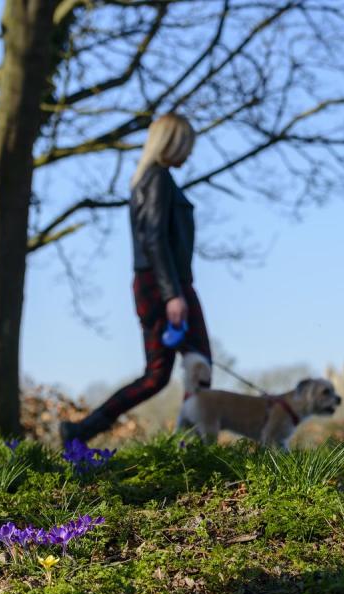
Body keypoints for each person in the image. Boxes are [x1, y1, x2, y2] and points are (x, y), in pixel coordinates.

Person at [60, 113, 212, 443]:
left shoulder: (152, 178)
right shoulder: (156, 178)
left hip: (156, 281)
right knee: (199, 363)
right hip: (164, 283)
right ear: (174, 142)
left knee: (157, 375)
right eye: (188, 145)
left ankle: (79, 431)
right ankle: (193, 443)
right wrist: (173, 294)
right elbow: (154, 239)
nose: (189, 153)